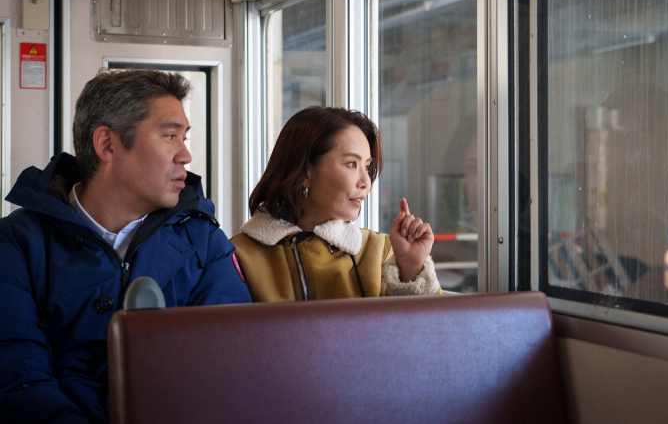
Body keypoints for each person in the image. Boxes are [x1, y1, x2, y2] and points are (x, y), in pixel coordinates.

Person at [0, 70, 252, 424]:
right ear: (107, 145)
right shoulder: (16, 245)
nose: (185, 155)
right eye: (170, 136)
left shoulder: (204, 241)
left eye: (184, 137)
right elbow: (18, 383)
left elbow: (231, 367)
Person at [232, 106, 441, 301]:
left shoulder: (382, 252)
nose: (366, 182)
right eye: (352, 164)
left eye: (367, 167)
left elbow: (435, 333)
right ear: (305, 171)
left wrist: (412, 268)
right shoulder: (238, 257)